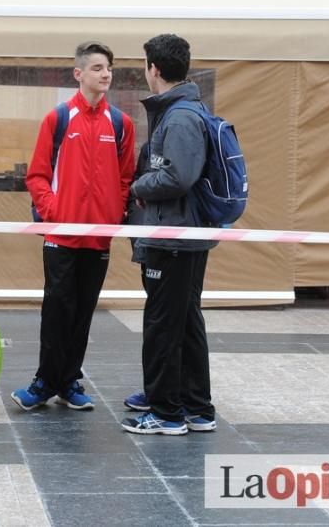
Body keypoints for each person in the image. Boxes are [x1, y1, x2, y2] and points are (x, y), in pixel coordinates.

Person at [11, 41, 135, 411]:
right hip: (61, 236)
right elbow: (36, 175)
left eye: (109, 67)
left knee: (83, 312)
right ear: (78, 74)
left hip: (99, 239)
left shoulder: (121, 123)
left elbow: (126, 177)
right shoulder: (59, 118)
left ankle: (69, 380)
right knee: (57, 310)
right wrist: (53, 212)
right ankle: (43, 381)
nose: (106, 73)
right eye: (97, 67)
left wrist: (115, 214)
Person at [121, 34, 217, 436]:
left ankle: (166, 412)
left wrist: (139, 186)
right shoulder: (186, 111)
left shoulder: (180, 117)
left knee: (163, 324)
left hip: (174, 238)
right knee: (185, 321)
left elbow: (177, 176)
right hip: (184, 235)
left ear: (154, 69)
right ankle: (196, 407)